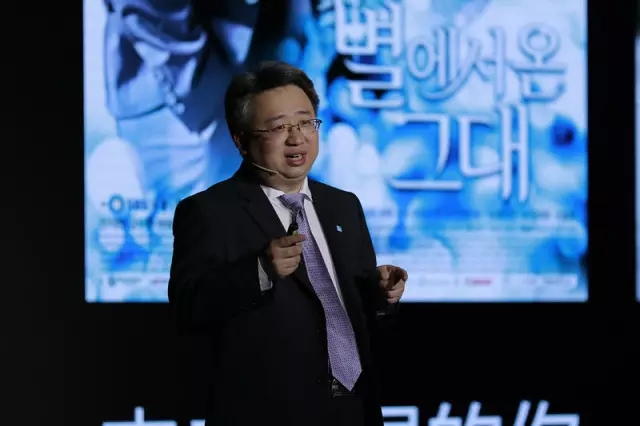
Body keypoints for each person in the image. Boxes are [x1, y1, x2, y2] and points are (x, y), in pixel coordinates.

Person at [168, 61, 408, 426]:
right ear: (241, 140)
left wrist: (381, 296)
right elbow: (188, 310)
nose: (297, 138)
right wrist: (260, 271)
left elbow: (355, 319)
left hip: (351, 411)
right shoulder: (208, 212)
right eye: (279, 127)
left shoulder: (344, 206)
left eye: (306, 122)